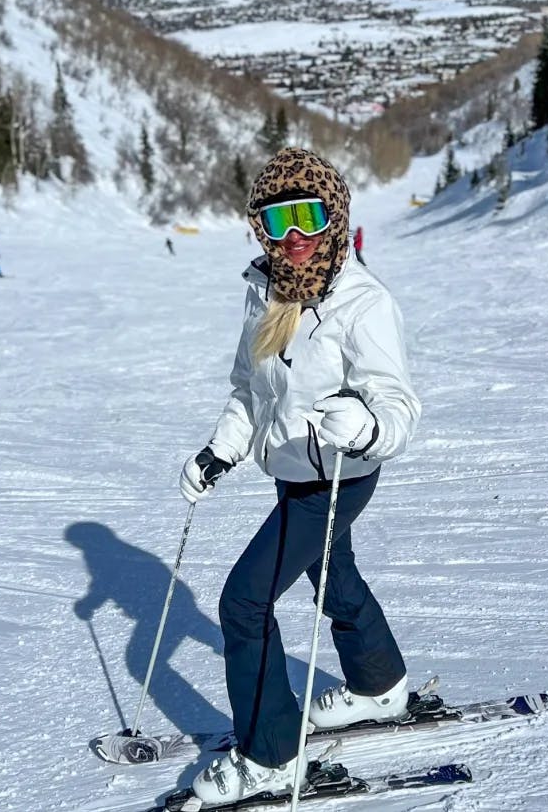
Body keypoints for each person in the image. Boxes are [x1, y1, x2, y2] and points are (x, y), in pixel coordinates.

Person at [178, 147, 421, 805]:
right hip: (291, 469)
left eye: (308, 216)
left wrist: (367, 424)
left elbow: (399, 403)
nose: (294, 237)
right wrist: (219, 452)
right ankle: (380, 684)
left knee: (243, 602)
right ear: (260, 227)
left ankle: (271, 756)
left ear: (334, 217)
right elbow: (248, 387)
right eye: (277, 220)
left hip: (341, 475)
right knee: (332, 575)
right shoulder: (265, 289)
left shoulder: (361, 303)